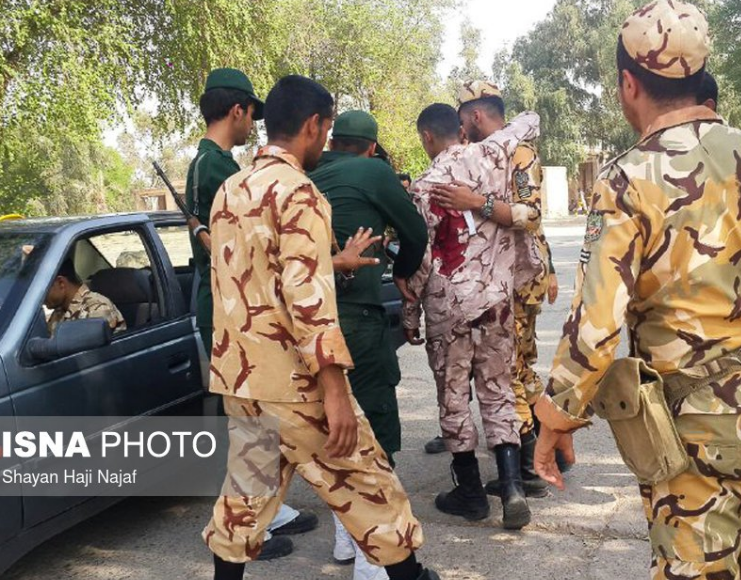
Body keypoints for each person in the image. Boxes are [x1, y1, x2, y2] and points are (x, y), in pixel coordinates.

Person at [533, 2, 741, 579]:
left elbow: (596, 326)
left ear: (628, 83)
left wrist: (555, 418)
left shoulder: (631, 178)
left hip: (697, 432)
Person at [204, 74, 439, 580]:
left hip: (240, 380)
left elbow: (255, 279)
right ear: (313, 125)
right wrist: (334, 392)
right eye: (326, 127)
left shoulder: (229, 191)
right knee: (372, 487)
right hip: (294, 384)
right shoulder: (300, 193)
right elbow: (306, 298)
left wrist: (334, 261)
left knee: (245, 498)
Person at [185, 67, 317, 561]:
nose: (252, 128)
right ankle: (250, 525)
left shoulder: (219, 165)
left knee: (259, 426)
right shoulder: (216, 166)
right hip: (235, 308)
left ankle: (261, 516)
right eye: (250, 116)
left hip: (239, 304)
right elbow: (234, 246)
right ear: (237, 110)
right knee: (257, 422)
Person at [403, 102, 540, 530]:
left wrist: (410, 315)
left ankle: (469, 494)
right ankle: (513, 486)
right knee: (498, 390)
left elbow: (420, 261)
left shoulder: (423, 187)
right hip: (497, 303)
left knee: (454, 397)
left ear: (427, 137)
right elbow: (531, 119)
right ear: (459, 128)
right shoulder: (492, 153)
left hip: (449, 312)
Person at [309, 110, 427, 579]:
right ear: (372, 147)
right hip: (356, 319)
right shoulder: (374, 172)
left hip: (306, 323)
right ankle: (371, 557)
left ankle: (344, 536)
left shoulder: (303, 172)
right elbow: (415, 233)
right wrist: (401, 273)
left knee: (330, 432)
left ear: (333, 141)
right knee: (373, 431)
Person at [428, 81, 551, 498]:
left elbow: (528, 215)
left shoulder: (513, 153)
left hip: (512, 281)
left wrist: (474, 201)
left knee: (504, 377)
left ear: (475, 116)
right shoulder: (487, 152)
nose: (461, 130)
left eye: (464, 118)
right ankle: (521, 470)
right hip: (498, 285)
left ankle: (528, 467)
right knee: (507, 377)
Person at [46, 259, 126, 335]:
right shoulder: (59, 312)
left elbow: (91, 348)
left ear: (61, 283)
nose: (42, 298)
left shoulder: (97, 308)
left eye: (44, 289)